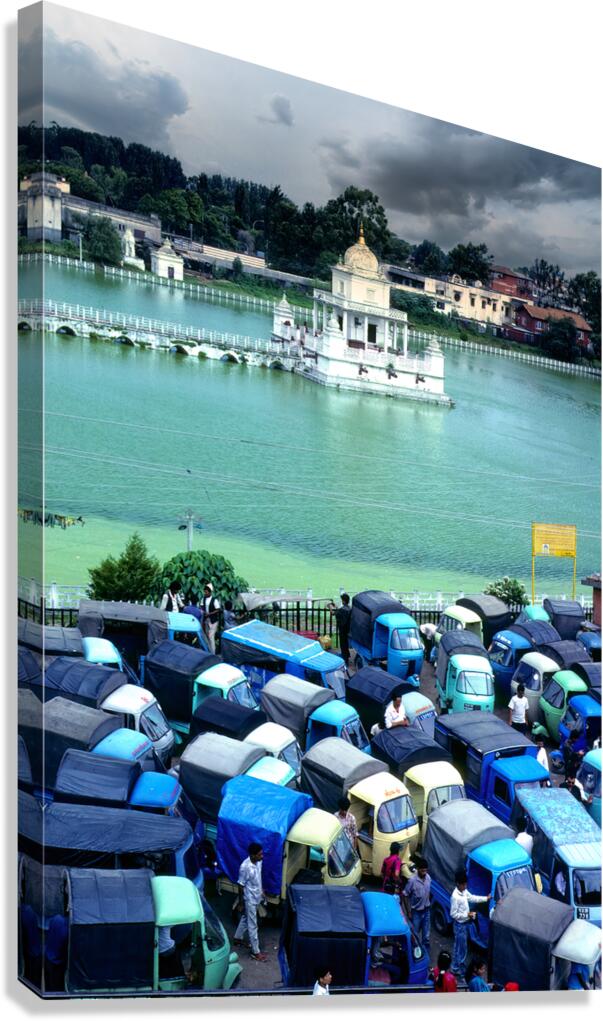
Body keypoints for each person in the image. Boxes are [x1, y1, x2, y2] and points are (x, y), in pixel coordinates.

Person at [450, 868, 489, 976]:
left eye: (466, 884)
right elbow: (453, 914)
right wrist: (467, 915)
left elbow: (472, 898)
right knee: (461, 949)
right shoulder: (455, 897)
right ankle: (457, 969)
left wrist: (486, 898)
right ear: (458, 884)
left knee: (460, 947)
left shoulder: (464, 891)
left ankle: (456, 967)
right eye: (463, 885)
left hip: (464, 924)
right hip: (459, 925)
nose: (465, 886)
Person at [233, 842, 268, 962]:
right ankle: (255, 952)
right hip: (250, 900)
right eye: (259, 855)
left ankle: (237, 938)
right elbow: (240, 885)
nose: (262, 856)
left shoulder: (259, 862)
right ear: (252, 855)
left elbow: (258, 877)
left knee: (245, 918)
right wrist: (241, 903)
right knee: (253, 925)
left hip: (257, 896)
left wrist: (261, 890)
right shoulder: (245, 867)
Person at [403, 857, 431, 954]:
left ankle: (425, 956)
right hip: (416, 913)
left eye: (426, 871)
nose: (424, 873)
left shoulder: (428, 878)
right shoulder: (412, 881)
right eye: (422, 870)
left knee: (426, 936)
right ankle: (414, 955)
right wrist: (409, 912)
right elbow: (405, 895)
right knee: (414, 936)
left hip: (426, 911)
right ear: (418, 869)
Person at [328, 594, 351, 665]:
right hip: (348, 629)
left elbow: (333, 613)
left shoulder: (342, 610)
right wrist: (336, 607)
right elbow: (340, 611)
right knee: (346, 643)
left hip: (342, 629)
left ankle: (345, 659)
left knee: (343, 644)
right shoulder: (349, 608)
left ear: (343, 601)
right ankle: (347, 655)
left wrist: (330, 607)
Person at [202, 583, 221, 654]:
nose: (205, 593)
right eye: (205, 592)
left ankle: (213, 652)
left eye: (206, 592)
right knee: (207, 636)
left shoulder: (214, 600)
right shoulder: (203, 599)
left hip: (213, 621)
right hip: (207, 620)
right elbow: (202, 606)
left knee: (211, 636)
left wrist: (209, 614)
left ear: (210, 592)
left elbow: (218, 609)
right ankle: (209, 650)